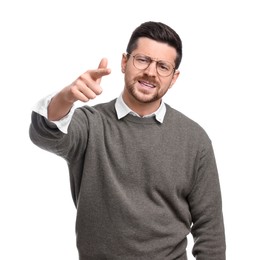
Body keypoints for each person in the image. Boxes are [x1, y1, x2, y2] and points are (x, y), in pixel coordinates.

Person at [29, 21, 226, 259]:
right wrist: (66, 97)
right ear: (125, 62)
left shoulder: (194, 139)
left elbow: (210, 230)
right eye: (142, 60)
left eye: (163, 66)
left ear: (174, 78)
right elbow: (45, 133)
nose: (151, 72)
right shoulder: (90, 123)